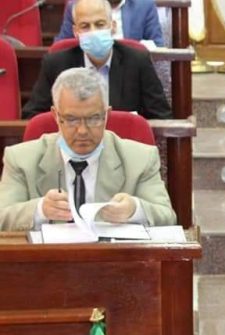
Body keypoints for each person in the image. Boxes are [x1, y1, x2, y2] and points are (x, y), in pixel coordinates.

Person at [0, 68, 176, 231]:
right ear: (55, 115)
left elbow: (167, 217)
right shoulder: (21, 159)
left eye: (93, 119)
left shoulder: (140, 158)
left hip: (115, 254)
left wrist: (135, 209)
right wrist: (40, 210)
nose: (82, 130)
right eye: (71, 119)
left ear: (107, 114)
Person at [22, 0, 171, 120]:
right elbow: (32, 116)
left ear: (112, 27)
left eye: (100, 25)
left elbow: (162, 116)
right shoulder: (56, 64)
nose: (93, 32)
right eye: (85, 26)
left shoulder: (137, 61)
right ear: (75, 32)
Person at [54, 0, 165, 46]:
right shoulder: (78, 5)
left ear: (113, 26)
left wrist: (140, 47)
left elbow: (158, 44)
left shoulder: (144, 5)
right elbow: (61, 45)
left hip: (130, 72)